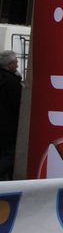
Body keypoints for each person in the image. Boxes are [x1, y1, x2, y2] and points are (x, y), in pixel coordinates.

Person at [0, 49, 22, 177]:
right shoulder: (12, 82)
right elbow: (18, 105)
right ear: (9, 65)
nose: (17, 65)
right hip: (9, 127)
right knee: (10, 155)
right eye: (15, 62)